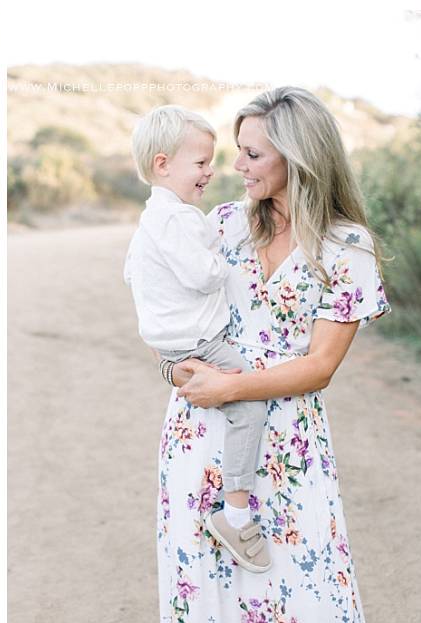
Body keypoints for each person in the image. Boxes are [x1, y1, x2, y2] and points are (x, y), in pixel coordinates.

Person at [155, 87, 389, 623]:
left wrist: (230, 386)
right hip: (200, 432)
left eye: (253, 154)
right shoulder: (224, 224)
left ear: (299, 156)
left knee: (300, 588)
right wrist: (173, 366)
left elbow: (320, 367)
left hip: (288, 443)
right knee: (204, 585)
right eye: (237, 151)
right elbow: (175, 313)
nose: (236, 167)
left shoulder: (345, 246)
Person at [124, 105, 270, 573]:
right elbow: (204, 276)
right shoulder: (180, 219)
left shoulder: (152, 218)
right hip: (200, 343)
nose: (211, 172)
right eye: (202, 163)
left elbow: (132, 274)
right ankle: (236, 511)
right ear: (163, 164)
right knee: (249, 406)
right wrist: (221, 256)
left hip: (172, 342)